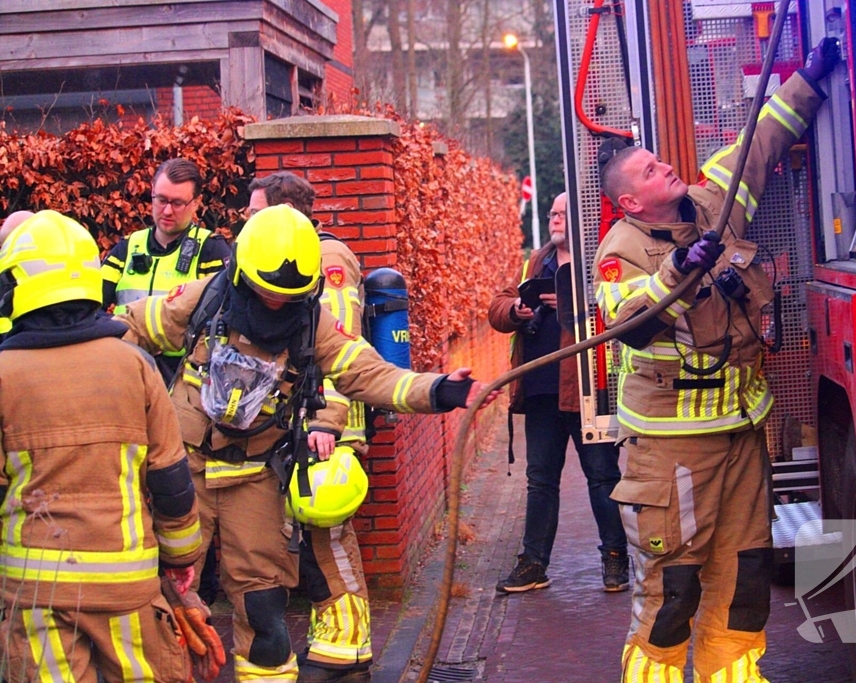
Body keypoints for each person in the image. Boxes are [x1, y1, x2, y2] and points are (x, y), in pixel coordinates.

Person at [116, 204, 496, 682]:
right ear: (242, 276)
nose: (276, 305)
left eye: (288, 298)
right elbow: (129, 330)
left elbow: (369, 372)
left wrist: (441, 390)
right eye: (266, 294)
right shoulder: (204, 299)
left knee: (262, 604)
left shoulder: (312, 322)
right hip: (184, 472)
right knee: (159, 595)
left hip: (254, 477)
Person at [594, 39, 840, 682]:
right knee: (672, 584)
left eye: (659, 160)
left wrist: (809, 79)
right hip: (671, 447)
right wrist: (677, 270)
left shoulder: (712, 206)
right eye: (650, 171)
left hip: (740, 431)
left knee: (746, 570)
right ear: (630, 202)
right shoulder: (621, 251)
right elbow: (626, 321)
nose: (666, 168)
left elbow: (758, 144)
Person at [0, 210, 203, 682]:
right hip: (127, 587)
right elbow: (171, 479)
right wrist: (181, 560)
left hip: (36, 591)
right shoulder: (135, 365)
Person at [248, 172, 375, 682]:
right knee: (303, 543)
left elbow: (341, 350)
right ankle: (336, 645)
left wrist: (328, 422)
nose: (248, 223)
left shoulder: (327, 259)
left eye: (256, 213)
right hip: (299, 427)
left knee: (328, 541)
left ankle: (349, 650)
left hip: (325, 430)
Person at [488, 192, 630, 594]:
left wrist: (572, 300)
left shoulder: (602, 261)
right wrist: (516, 309)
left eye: (562, 214)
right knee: (540, 480)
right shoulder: (536, 261)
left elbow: (621, 310)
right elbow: (498, 304)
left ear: (582, 219)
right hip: (540, 391)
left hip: (590, 389)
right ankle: (534, 564)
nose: (554, 219)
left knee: (602, 476)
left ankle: (615, 559)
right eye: (551, 213)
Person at [100, 158, 232, 382]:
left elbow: (224, 322)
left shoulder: (211, 250)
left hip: (181, 377)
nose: (167, 210)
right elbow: (92, 307)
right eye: (161, 200)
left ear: (196, 203)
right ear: (152, 193)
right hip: (125, 369)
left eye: (177, 203)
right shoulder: (128, 247)